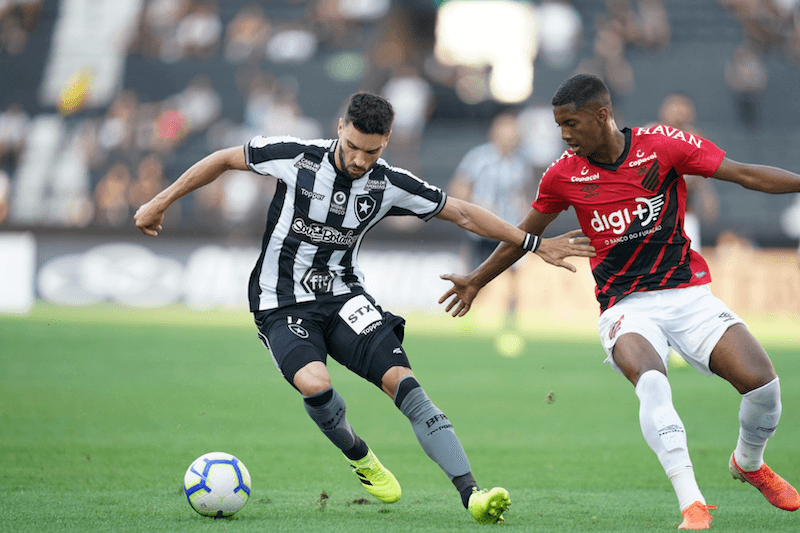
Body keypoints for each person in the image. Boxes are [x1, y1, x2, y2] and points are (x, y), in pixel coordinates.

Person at [134, 92, 594, 524]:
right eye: (352, 146)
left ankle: (472, 494)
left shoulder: (389, 183)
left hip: (344, 297)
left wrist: (532, 243)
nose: (359, 159)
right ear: (340, 128)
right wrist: (160, 201)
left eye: (371, 151)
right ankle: (360, 456)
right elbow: (222, 159)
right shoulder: (296, 156)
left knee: (405, 384)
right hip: (281, 302)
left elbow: (464, 213)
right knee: (315, 383)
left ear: (386, 143)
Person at [439, 74, 800, 530]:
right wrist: (476, 280)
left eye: (571, 123)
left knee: (765, 388)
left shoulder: (663, 146)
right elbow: (523, 234)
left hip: (687, 293)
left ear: (602, 115)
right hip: (626, 305)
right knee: (652, 381)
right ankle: (692, 504)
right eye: (558, 126)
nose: (564, 135)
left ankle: (749, 463)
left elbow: (745, 174)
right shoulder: (563, 174)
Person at [447, 113, 534, 332]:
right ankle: (465, 314)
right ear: (494, 133)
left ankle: (511, 318)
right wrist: (477, 207)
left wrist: (527, 225)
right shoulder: (478, 158)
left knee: (515, 272)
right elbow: (458, 188)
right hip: (480, 229)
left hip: (509, 228)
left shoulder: (520, 164)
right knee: (476, 272)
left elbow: (522, 197)